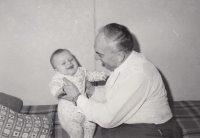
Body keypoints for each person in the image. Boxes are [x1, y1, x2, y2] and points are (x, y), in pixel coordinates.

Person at [62, 23, 182, 138]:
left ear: (119, 56)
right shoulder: (125, 64)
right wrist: (91, 90)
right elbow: (114, 95)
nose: (96, 57)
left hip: (156, 130)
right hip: (134, 124)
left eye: (100, 54)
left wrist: (77, 97)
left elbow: (107, 118)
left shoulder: (138, 74)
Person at [49, 49, 107, 138]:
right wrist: (60, 90)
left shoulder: (81, 71)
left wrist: (101, 75)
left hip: (84, 109)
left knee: (91, 124)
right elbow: (53, 87)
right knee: (77, 131)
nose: (69, 63)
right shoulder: (59, 78)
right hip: (69, 116)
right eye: (63, 63)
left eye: (71, 59)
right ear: (57, 70)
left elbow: (90, 74)